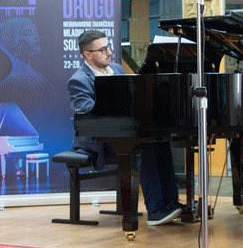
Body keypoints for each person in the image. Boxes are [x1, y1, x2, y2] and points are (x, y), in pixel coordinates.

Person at [67, 30, 182, 225]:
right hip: (98, 141)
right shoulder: (79, 80)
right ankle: (156, 210)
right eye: (103, 49)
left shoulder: (118, 70)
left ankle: (171, 203)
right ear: (88, 54)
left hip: (124, 132)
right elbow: (88, 114)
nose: (109, 52)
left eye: (108, 47)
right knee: (144, 146)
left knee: (160, 141)